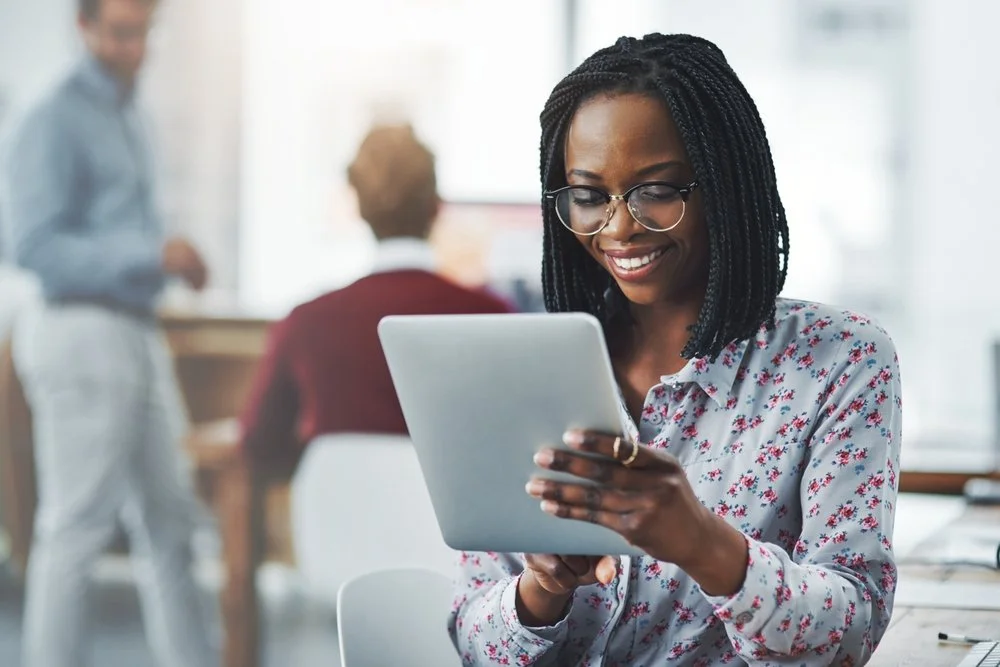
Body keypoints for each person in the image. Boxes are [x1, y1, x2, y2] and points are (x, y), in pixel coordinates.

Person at [449, 33, 902, 666]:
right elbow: (469, 637)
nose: (619, 226)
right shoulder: (523, 372)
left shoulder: (838, 361)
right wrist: (539, 590)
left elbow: (851, 632)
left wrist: (704, 544)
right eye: (588, 195)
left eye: (656, 189)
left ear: (724, 182)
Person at [2, 1, 217, 665]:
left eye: (144, 31)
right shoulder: (54, 116)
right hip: (78, 331)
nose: (135, 47)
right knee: (76, 528)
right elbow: (31, 245)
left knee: (172, 522)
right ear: (85, 27)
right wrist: (150, 255)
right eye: (122, 32)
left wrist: (163, 259)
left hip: (135, 333)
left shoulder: (131, 113)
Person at [240, 123, 511, 467]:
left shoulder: (306, 322)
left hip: (338, 517)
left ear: (359, 206)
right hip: (453, 521)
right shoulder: (494, 317)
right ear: (436, 206)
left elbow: (260, 444)